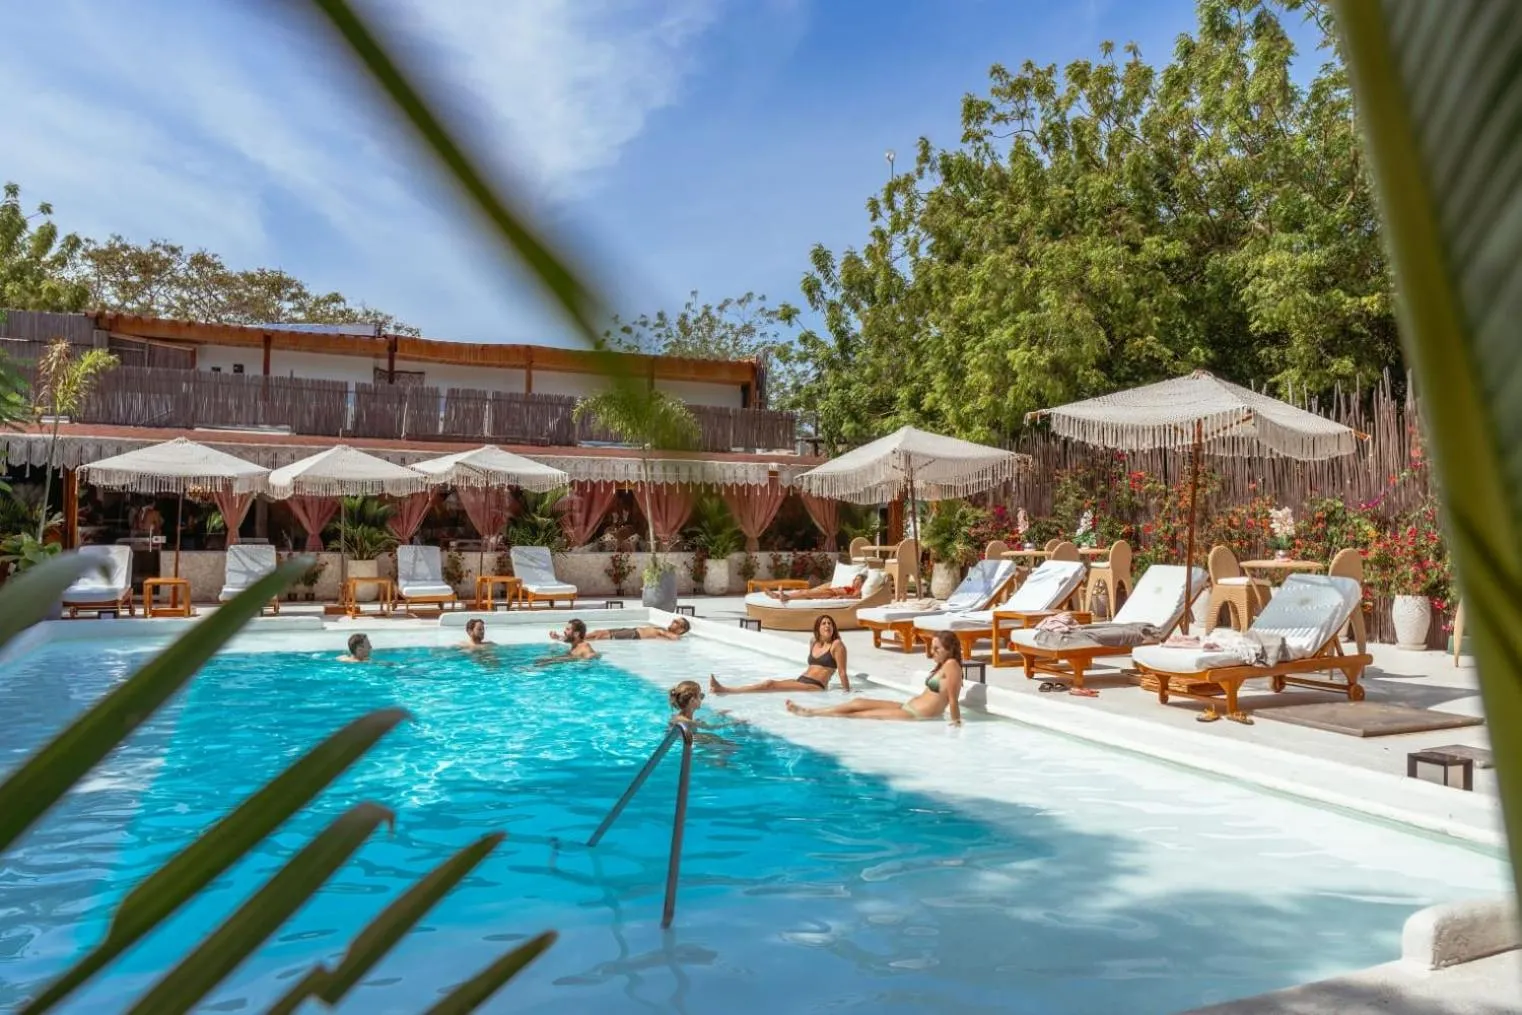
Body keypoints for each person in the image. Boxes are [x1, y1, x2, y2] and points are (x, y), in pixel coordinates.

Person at [787, 629, 963, 724]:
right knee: (858, 703)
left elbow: (953, 700)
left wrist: (956, 723)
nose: (932, 653)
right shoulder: (943, 665)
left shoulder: (952, 665)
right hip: (909, 705)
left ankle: (811, 714)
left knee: (862, 715)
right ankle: (811, 711)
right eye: (932, 647)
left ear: (950, 649)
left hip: (917, 714)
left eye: (937, 648)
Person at [711, 615, 850, 695]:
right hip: (801, 680)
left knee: (769, 684)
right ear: (818, 628)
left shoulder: (837, 645)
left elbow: (842, 673)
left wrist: (846, 693)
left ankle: (726, 690)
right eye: (823, 623)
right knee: (770, 685)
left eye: (830, 623)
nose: (827, 626)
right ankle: (725, 689)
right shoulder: (813, 642)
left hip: (816, 685)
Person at [552, 617, 690, 642]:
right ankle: (568, 638)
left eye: (676, 623)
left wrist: (674, 636)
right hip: (631, 630)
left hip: (633, 634)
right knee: (598, 633)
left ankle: (566, 639)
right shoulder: (663, 630)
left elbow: (675, 638)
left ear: (681, 629)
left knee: (599, 635)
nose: (672, 622)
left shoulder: (667, 633)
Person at [768, 573, 866, 603]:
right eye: (854, 578)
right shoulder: (850, 587)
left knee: (806, 593)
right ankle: (778, 596)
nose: (853, 580)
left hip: (831, 594)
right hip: (829, 591)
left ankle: (784, 597)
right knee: (805, 592)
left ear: (861, 582)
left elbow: (856, 598)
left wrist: (841, 598)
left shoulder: (858, 591)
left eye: (857, 579)